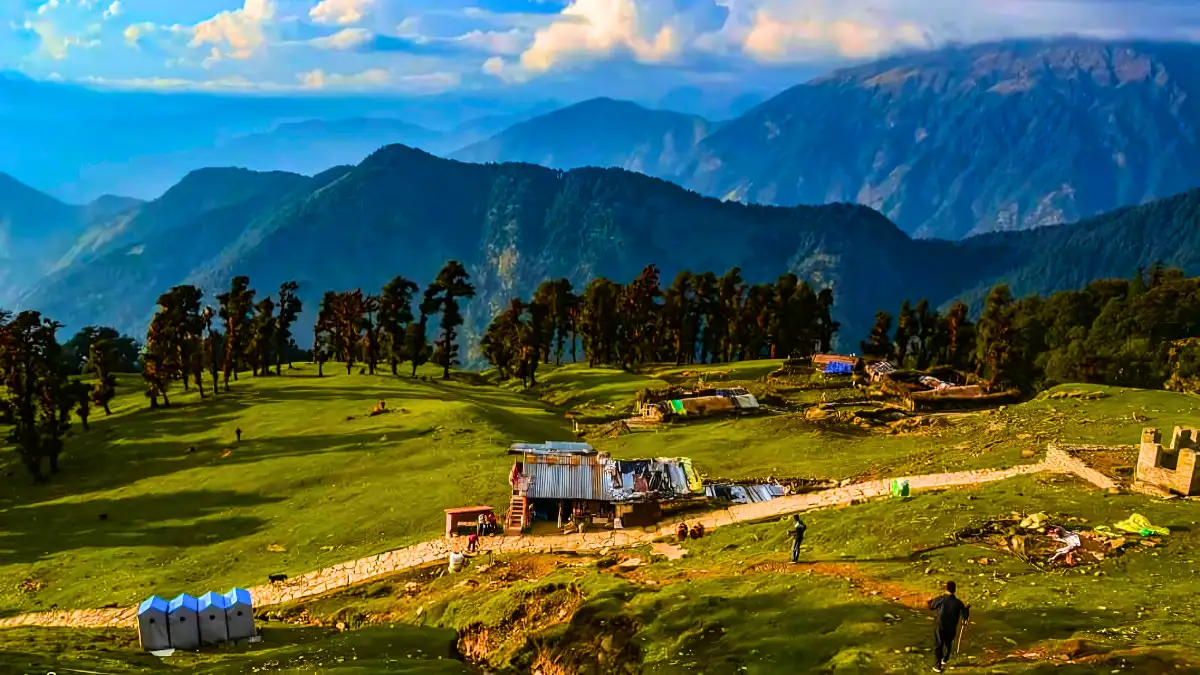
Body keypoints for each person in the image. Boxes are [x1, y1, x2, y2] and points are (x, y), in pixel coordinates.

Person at [928, 581, 970, 672]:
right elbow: (965, 615)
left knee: (939, 645)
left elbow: (932, 606)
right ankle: (945, 659)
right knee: (948, 643)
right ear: (954, 590)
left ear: (946, 589)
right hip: (951, 628)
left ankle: (938, 666)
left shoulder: (941, 599)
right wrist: (967, 608)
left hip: (940, 626)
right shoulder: (958, 602)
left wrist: (929, 601)